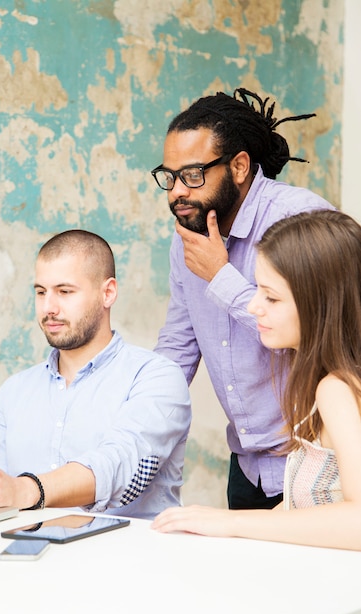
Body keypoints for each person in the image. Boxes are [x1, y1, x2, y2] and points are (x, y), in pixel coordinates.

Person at [151, 88, 335, 510]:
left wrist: (221, 276)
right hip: (247, 468)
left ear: (238, 167)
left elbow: (327, 329)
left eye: (193, 174)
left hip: (317, 464)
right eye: (169, 176)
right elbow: (178, 348)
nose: (177, 191)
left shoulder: (300, 218)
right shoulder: (186, 243)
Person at [152, 210, 361, 551]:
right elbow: (308, 509)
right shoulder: (324, 381)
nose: (253, 306)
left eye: (271, 297)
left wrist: (230, 522)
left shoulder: (336, 389)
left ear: (320, 304)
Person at [0, 229, 191, 520]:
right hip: (24, 559)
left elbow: (121, 468)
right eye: (41, 292)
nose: (48, 308)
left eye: (64, 292)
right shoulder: (14, 391)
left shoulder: (156, 377)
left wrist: (25, 489)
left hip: (125, 561)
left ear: (108, 292)